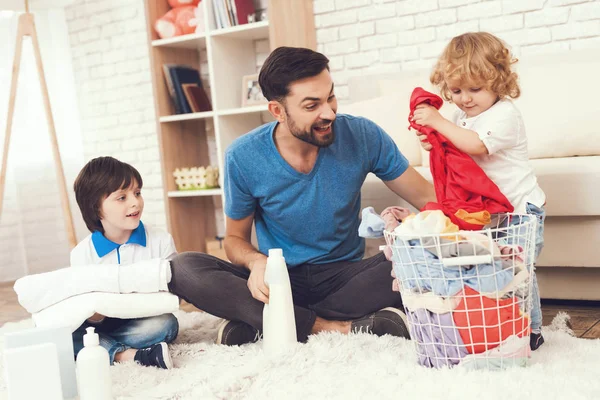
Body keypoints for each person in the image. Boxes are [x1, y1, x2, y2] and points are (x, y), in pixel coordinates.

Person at [168, 46, 436, 346]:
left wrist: (465, 229)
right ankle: (334, 327)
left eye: (330, 97)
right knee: (182, 268)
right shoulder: (242, 157)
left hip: (345, 279)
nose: (329, 113)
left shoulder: (362, 135)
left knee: (421, 255)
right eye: (312, 106)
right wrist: (258, 263)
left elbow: (429, 199)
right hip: (279, 279)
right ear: (277, 111)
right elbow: (234, 240)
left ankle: (270, 321)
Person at [412, 32, 546, 350]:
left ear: (498, 82)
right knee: (495, 269)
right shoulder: (461, 116)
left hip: (519, 210)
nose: (465, 98)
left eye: (475, 89)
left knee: (519, 272)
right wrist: (434, 140)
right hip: (489, 212)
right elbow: (457, 148)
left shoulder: (505, 115)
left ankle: (533, 329)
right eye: (456, 90)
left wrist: (439, 122)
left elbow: (476, 145)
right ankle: (501, 327)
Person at [70, 156, 179, 368]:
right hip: (101, 325)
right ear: (96, 208)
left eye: (137, 193)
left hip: (142, 320)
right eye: (122, 197)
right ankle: (130, 356)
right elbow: (85, 311)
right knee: (65, 335)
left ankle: (107, 351)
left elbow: (173, 292)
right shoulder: (82, 254)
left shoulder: (160, 241)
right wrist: (94, 315)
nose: (135, 202)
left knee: (166, 324)